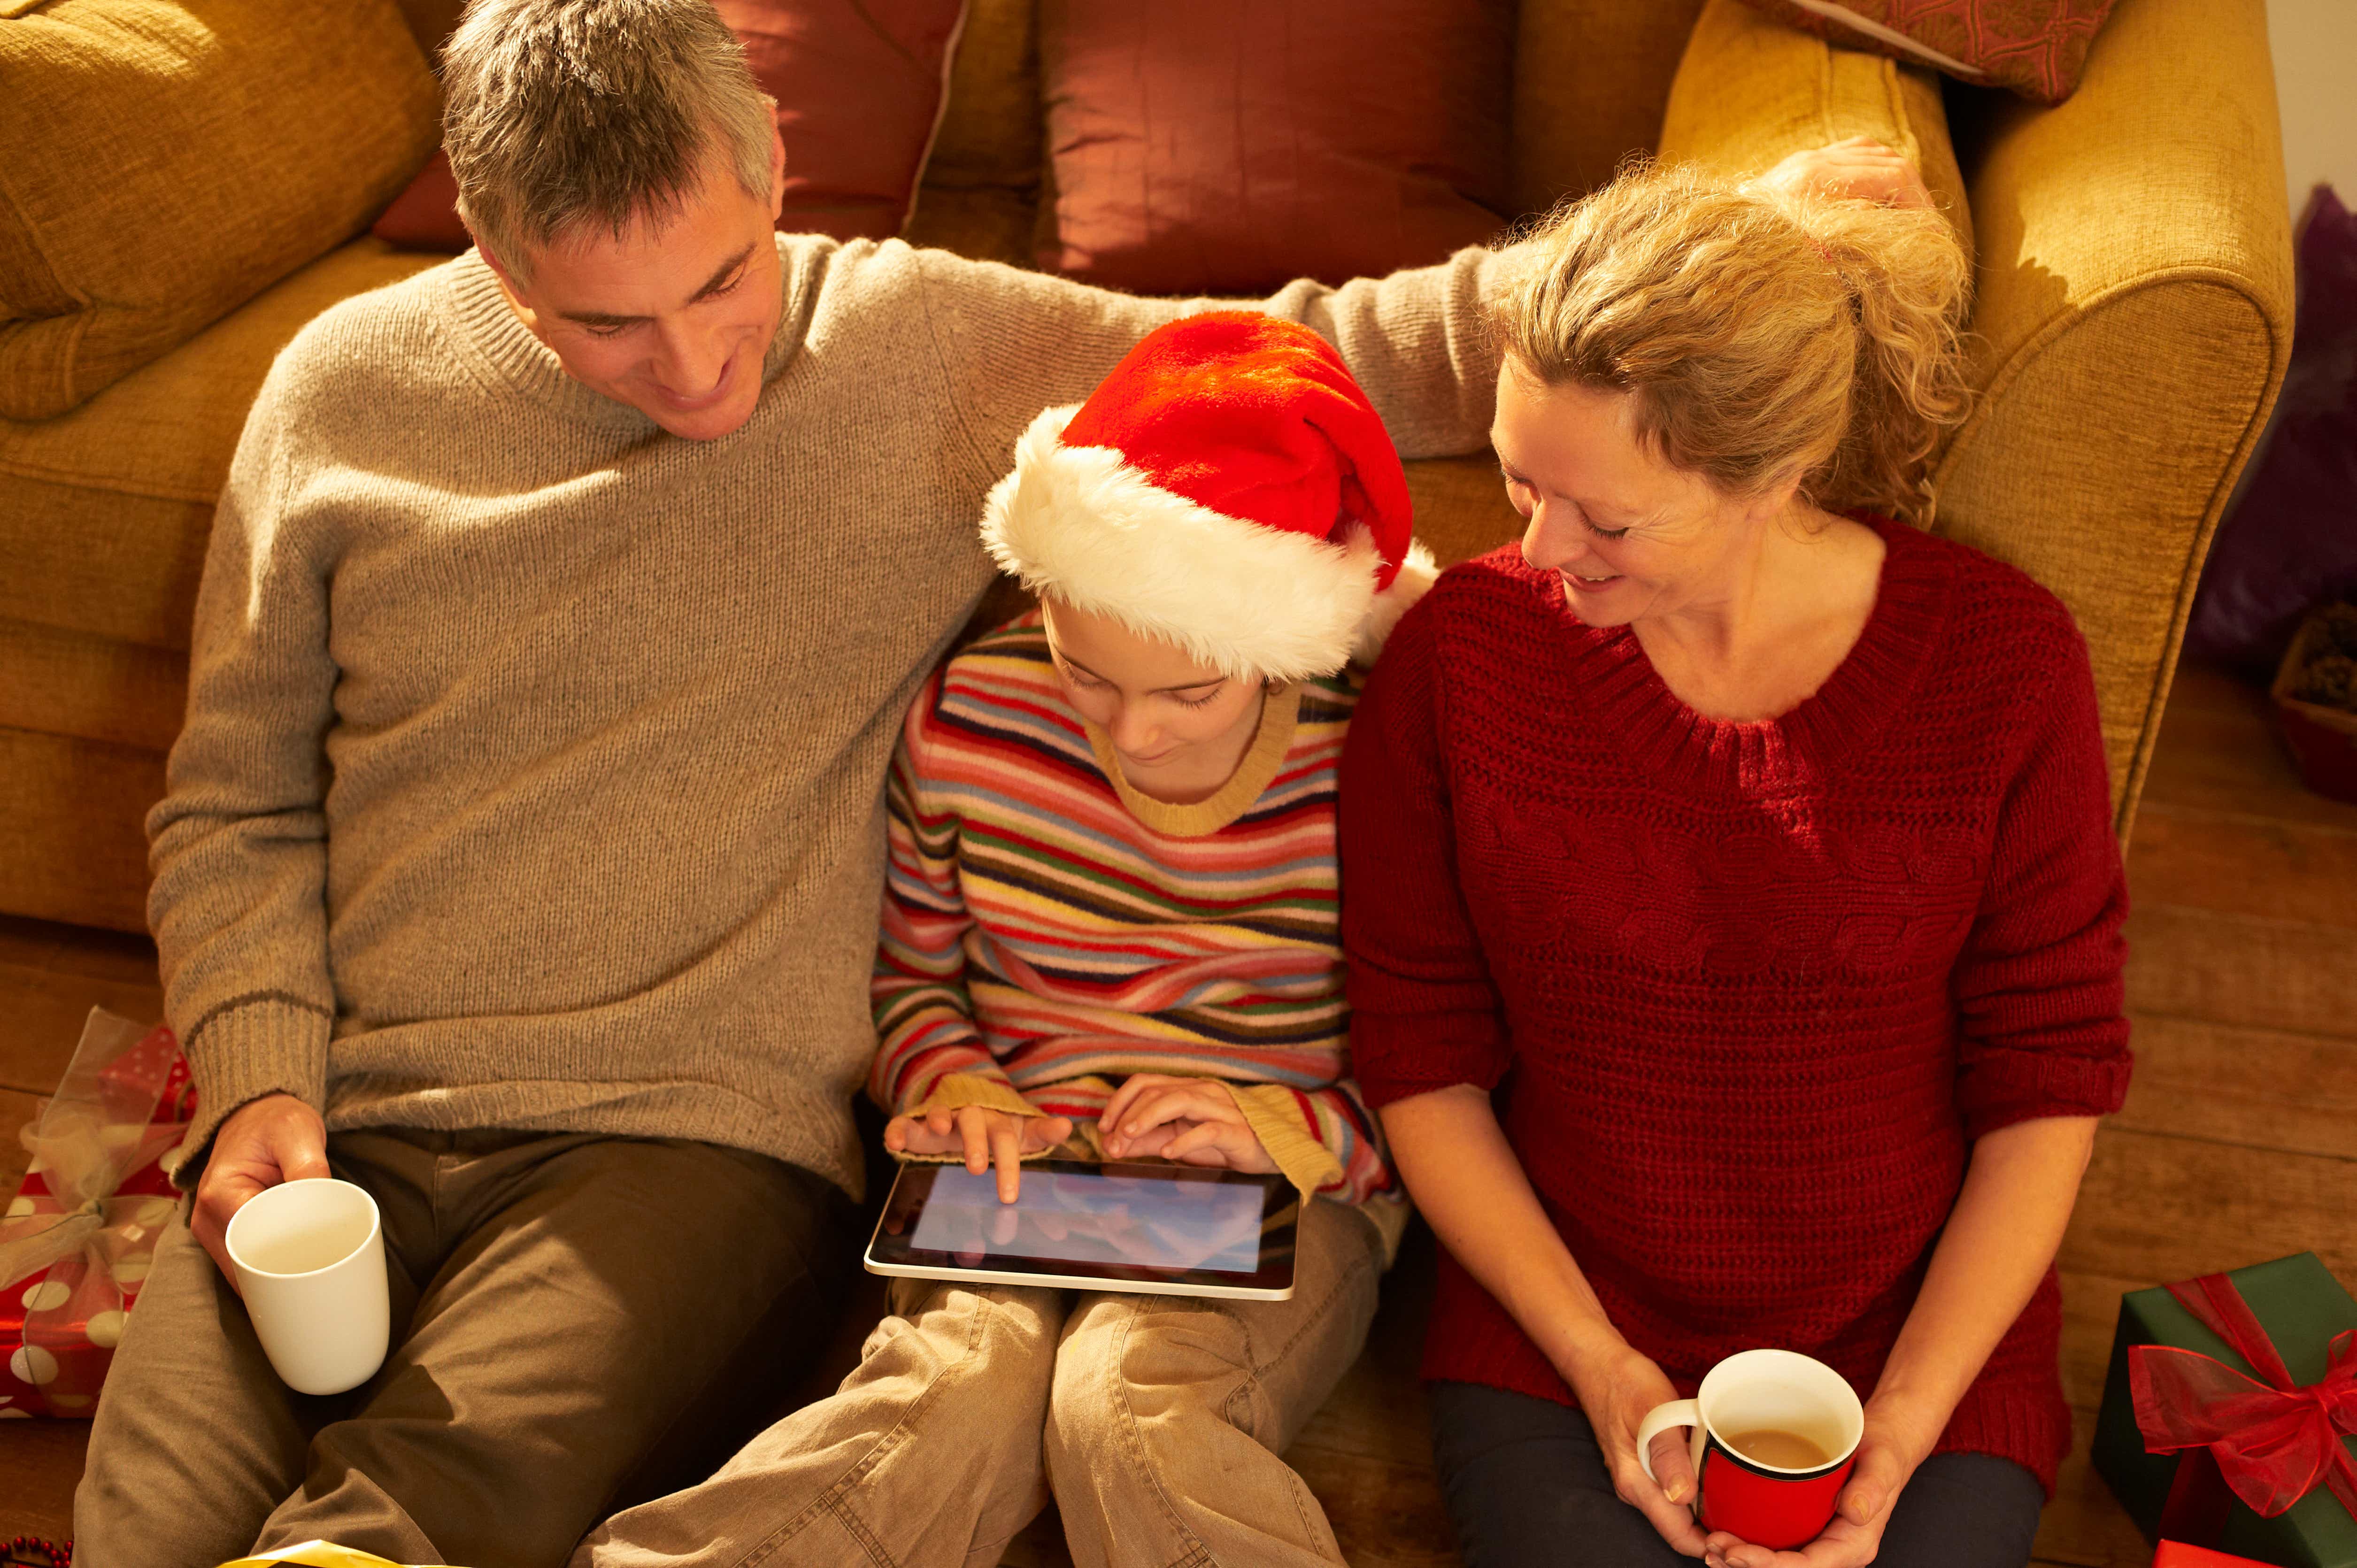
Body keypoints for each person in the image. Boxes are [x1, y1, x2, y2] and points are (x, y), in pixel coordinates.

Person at [71, 4, 1504, 1564]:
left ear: (769, 169)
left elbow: (1317, 350)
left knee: (405, 1520)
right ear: (492, 246)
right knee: (146, 1533)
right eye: (607, 324)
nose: (695, 371)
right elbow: (236, 802)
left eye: (720, 281)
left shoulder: (920, 343)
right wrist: (259, 1080)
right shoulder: (338, 390)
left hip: (682, 1141)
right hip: (342, 1114)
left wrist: (1679, 262)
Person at [1340, 161, 2133, 1568]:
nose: (1538, 549)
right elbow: (1421, 1053)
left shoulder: (2006, 666)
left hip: (1918, 1344)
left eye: (1606, 519)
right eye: (1521, 481)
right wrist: (1599, 1364)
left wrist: (1902, 1428)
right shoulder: (1459, 659)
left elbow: (2047, 1074)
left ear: (1771, 476)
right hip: (1560, 1329)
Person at [574, 312, 1425, 1568]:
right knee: (953, 1385)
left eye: (1190, 691)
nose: (1132, 732)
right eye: (1088, 673)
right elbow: (913, 979)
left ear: (1281, 638)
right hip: (1019, 1167)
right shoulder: (974, 711)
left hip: (1279, 1178)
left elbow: (1444, 1063)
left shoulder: (1373, 755)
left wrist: (1285, 1133)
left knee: (1133, 1401)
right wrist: (950, 1082)